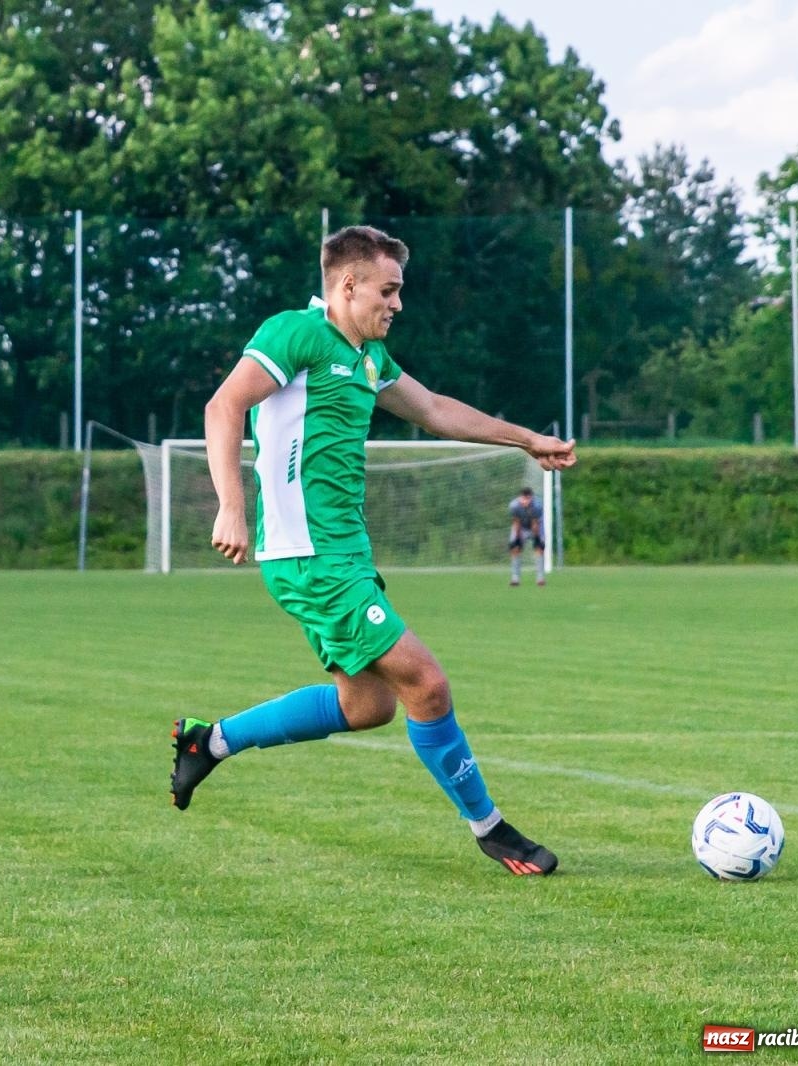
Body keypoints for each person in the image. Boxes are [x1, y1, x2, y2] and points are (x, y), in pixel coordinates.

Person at [169, 226, 576, 875]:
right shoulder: (295, 333)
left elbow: (436, 409)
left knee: (369, 706)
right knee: (427, 683)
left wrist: (527, 439)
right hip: (310, 557)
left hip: (347, 555)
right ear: (348, 285)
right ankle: (491, 829)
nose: (398, 304)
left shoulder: (368, 359)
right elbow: (224, 407)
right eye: (388, 290)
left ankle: (209, 741)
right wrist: (231, 505)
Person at [508, 487, 546, 586]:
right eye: (524, 498)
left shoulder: (537, 506)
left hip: (536, 526)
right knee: (515, 549)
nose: (526, 501)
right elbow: (516, 522)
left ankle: (540, 578)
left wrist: (537, 539)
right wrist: (517, 540)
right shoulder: (514, 506)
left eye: (528, 499)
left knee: (539, 549)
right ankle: (515, 578)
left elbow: (535, 524)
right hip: (521, 527)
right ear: (520, 498)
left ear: (531, 498)